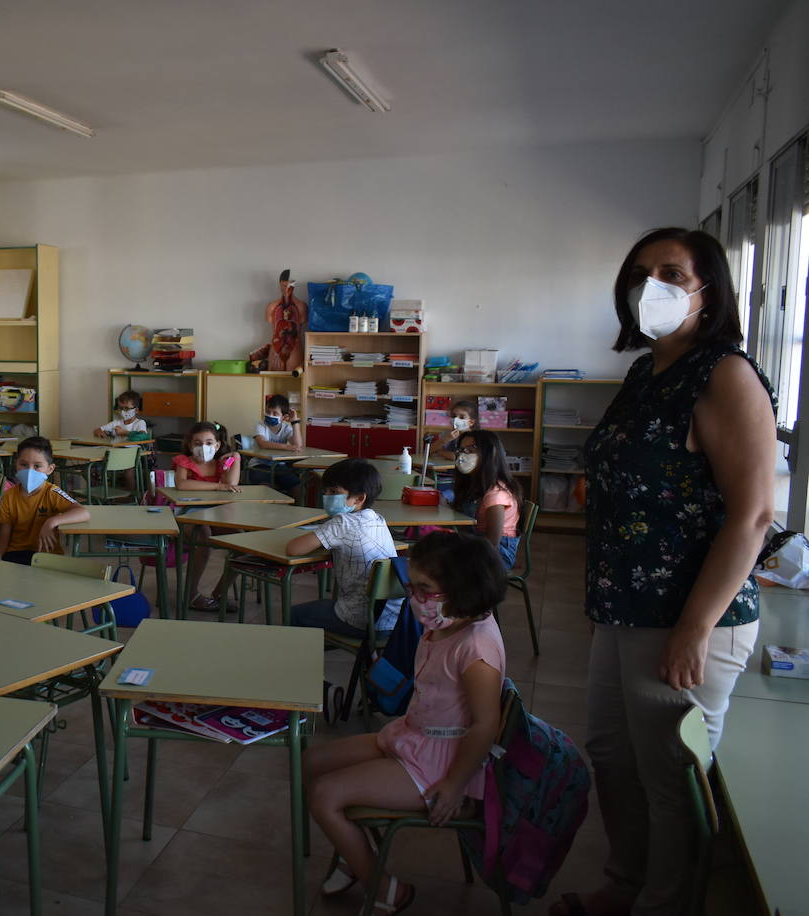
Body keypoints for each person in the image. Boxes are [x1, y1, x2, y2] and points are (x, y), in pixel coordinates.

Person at [553, 228, 775, 916]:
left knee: (669, 779)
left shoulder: (725, 375)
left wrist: (694, 627)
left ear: (708, 292)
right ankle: (624, 886)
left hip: (685, 618)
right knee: (613, 756)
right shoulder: (646, 372)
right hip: (624, 607)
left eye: (672, 274)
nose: (652, 286)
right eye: (641, 273)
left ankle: (664, 903)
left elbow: (753, 516)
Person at [307, 532, 508, 914]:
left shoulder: (477, 648)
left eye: (424, 588)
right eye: (411, 586)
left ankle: (383, 888)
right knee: (312, 763)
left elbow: (485, 726)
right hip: (416, 737)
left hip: (443, 764)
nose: (414, 597)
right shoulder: (448, 622)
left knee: (325, 795)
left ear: (462, 588)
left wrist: (453, 785)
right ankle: (358, 855)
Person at [284, 458, 401, 636]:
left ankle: (307, 658)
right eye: (326, 491)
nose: (327, 497)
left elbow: (293, 549)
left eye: (334, 492)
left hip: (362, 620)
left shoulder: (342, 522)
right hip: (392, 619)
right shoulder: (377, 519)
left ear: (360, 498)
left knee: (293, 614)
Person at [171, 421, 241, 611]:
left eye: (209, 443)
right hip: (188, 515)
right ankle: (191, 595)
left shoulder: (221, 464)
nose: (204, 447)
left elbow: (232, 483)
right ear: (190, 445)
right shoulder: (184, 462)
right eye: (198, 443)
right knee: (203, 535)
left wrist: (235, 458)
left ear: (217, 445)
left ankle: (219, 594)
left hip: (216, 514)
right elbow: (182, 485)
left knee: (243, 542)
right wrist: (218, 486)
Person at [0, 437, 90, 565]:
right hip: (16, 554)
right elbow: (3, 535)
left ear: (50, 469)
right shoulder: (9, 496)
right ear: (16, 464)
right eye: (23, 464)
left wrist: (51, 521)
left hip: (47, 555)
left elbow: (83, 512)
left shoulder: (52, 493)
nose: (30, 471)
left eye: (37, 466)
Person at [449, 430, 520, 568]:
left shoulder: (496, 494)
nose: (464, 455)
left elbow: (492, 544)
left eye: (472, 449)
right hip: (476, 544)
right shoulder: (474, 485)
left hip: (496, 556)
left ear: (491, 453)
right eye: (462, 450)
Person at [250, 394, 304, 493]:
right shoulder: (260, 425)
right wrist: (287, 447)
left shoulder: (286, 428)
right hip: (259, 465)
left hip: (279, 466)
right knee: (265, 486)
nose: (270, 415)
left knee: (296, 486)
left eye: (275, 413)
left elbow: (298, 445)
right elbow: (263, 444)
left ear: (284, 417)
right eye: (268, 412)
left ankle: (296, 507)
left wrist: (295, 422)